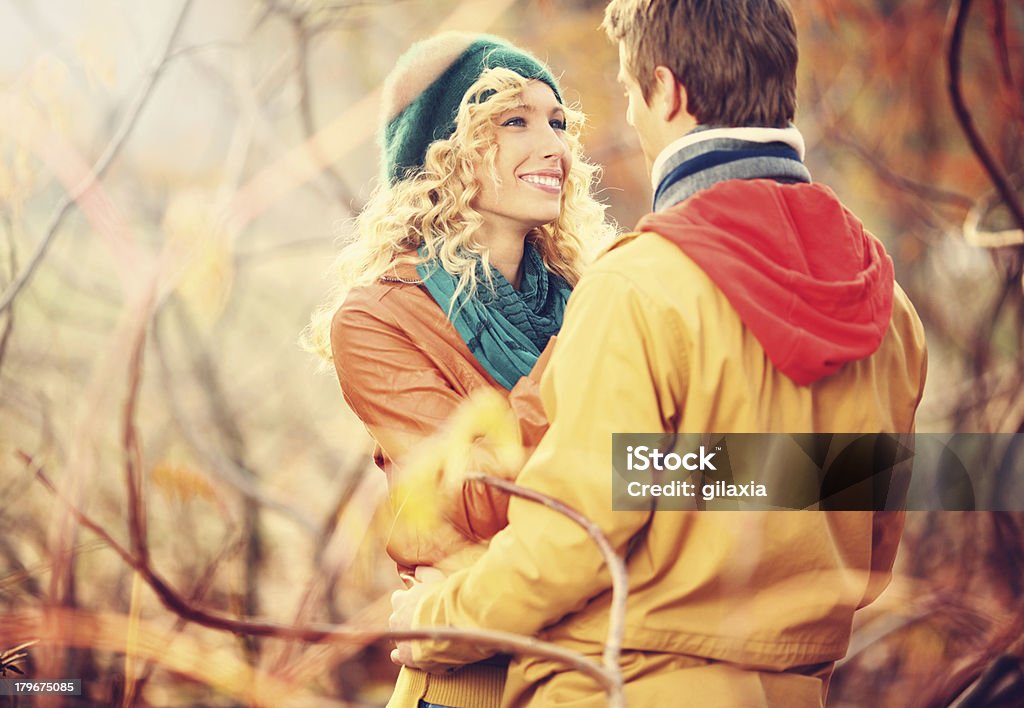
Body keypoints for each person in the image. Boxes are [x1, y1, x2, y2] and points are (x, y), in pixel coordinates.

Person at [389, 2, 928, 706]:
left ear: (667, 93)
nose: (634, 118)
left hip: (617, 687)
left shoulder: (638, 287)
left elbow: (572, 542)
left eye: (629, 91)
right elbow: (872, 544)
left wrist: (434, 620)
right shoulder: (890, 308)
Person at [304, 32, 610, 708]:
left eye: (558, 123)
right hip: (468, 684)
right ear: (442, 151)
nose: (555, 147)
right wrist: (591, 345)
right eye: (515, 121)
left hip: (593, 674)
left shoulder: (591, 295)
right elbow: (474, 497)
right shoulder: (379, 319)